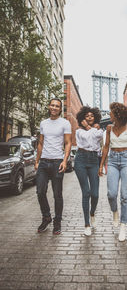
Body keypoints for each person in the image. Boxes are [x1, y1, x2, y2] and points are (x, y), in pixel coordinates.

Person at [99, 102, 127, 242]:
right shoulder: (109, 128)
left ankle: (123, 225)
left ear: (116, 114)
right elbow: (106, 147)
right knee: (111, 194)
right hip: (112, 160)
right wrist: (101, 165)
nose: (108, 115)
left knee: (124, 195)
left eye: (110, 113)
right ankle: (115, 212)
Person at [35, 98, 72, 235]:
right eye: (52, 105)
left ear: (60, 109)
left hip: (57, 162)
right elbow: (40, 143)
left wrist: (65, 160)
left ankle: (57, 221)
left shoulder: (65, 123)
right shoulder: (43, 123)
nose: (54, 107)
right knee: (40, 191)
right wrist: (37, 160)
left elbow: (68, 143)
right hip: (44, 162)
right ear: (49, 106)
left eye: (57, 106)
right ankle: (46, 217)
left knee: (57, 194)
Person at [74, 106, 103, 236]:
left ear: (95, 117)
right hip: (80, 159)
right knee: (86, 193)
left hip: (93, 160)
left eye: (92, 115)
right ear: (82, 119)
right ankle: (86, 224)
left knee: (95, 194)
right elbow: (85, 137)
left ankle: (92, 213)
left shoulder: (99, 131)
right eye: (87, 116)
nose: (90, 117)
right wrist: (88, 128)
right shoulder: (78, 131)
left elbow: (97, 135)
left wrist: (89, 128)